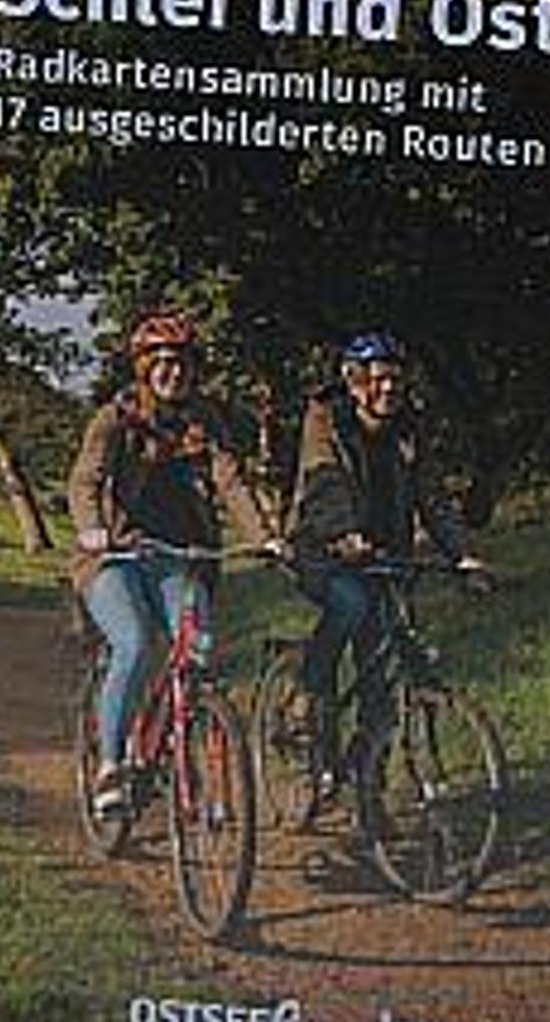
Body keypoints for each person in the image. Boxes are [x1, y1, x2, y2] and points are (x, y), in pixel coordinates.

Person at [68, 309, 281, 819]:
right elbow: (84, 482)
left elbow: (231, 482)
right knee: (135, 643)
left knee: (199, 653)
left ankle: (190, 771)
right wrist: (92, 529)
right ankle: (111, 768)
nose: (173, 372)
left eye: (182, 363)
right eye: (161, 362)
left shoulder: (205, 420)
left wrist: (265, 537)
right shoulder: (115, 418)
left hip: (178, 556)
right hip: (115, 556)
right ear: (143, 369)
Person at [287, 332, 482, 815]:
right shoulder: (326, 420)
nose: (390, 390)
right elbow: (323, 477)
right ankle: (307, 697)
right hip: (325, 548)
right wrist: (344, 531)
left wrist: (463, 555)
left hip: (387, 553)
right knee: (352, 605)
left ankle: (368, 785)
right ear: (355, 383)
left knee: (389, 662)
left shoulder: (409, 432)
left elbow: (432, 499)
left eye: (397, 380)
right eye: (380, 380)